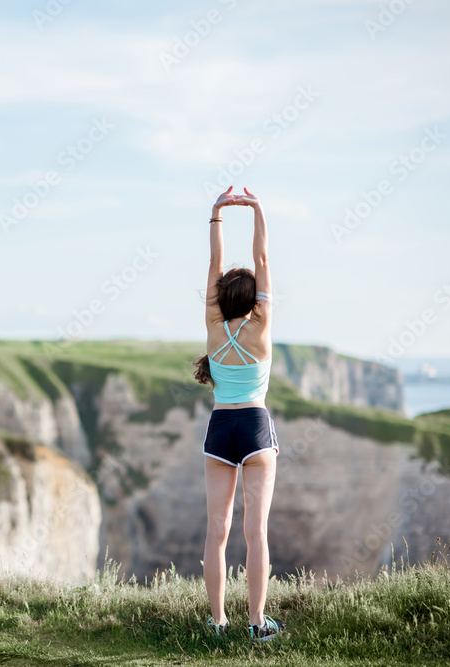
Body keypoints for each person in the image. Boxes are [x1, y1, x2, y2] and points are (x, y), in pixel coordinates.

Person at [192, 186, 284, 641]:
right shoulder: (261, 327)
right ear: (253, 298)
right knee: (256, 532)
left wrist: (216, 215)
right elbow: (263, 260)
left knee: (217, 531)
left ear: (223, 296)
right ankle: (256, 624)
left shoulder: (213, 327)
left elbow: (213, 266)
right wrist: (258, 209)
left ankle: (217, 623)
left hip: (220, 428)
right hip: (254, 425)